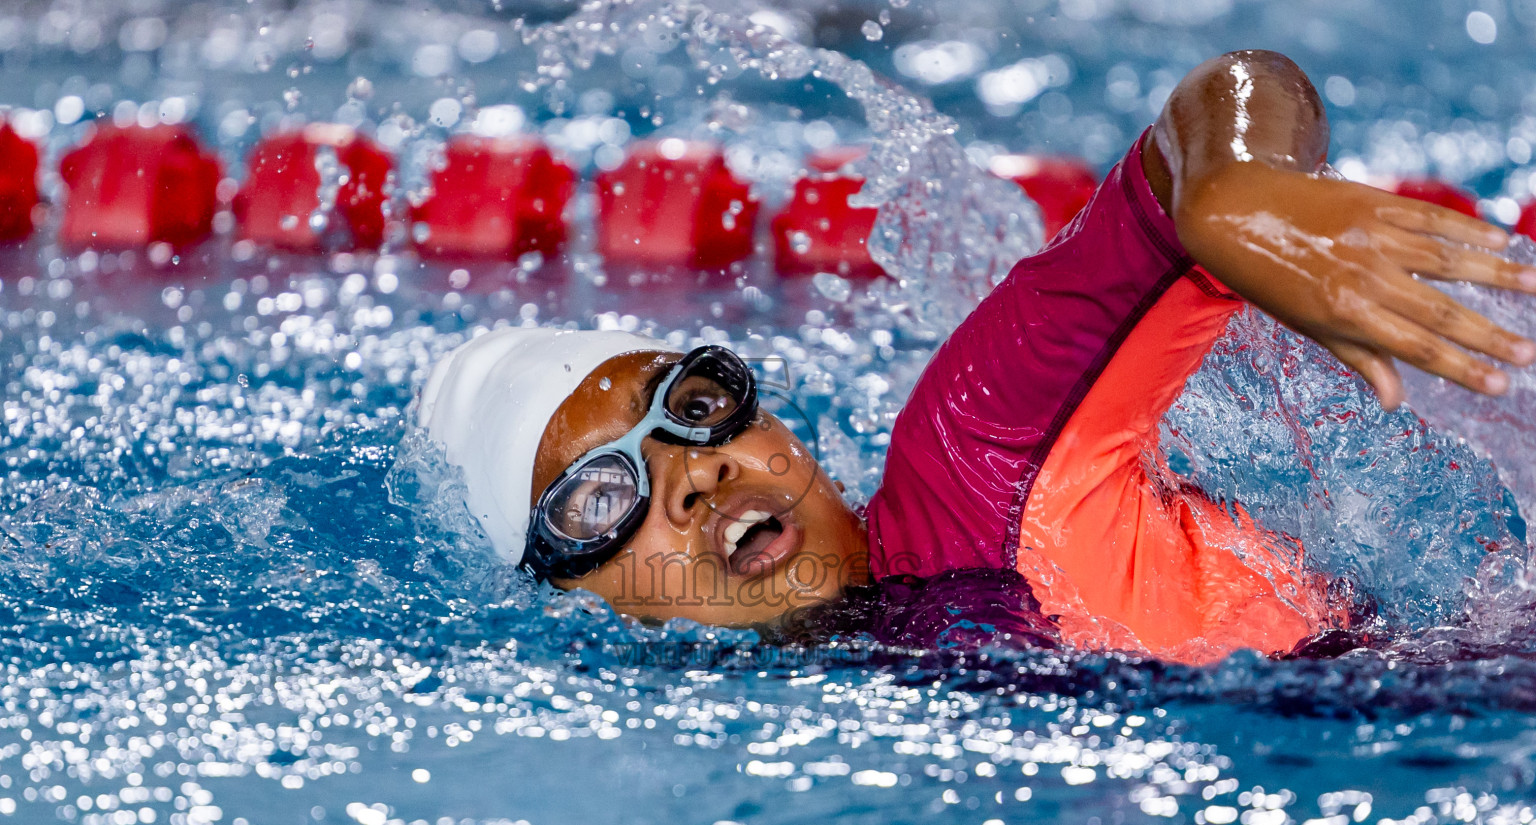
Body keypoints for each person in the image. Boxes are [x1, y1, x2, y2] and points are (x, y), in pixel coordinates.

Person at [419, 50, 1536, 663]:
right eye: (605, 494)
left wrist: (1245, 199)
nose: (696, 469)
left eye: (696, 405)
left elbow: (1222, 103)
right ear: (570, 600)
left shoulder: (972, 454)